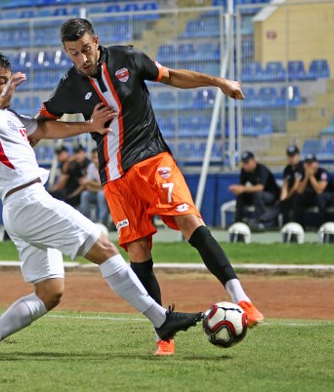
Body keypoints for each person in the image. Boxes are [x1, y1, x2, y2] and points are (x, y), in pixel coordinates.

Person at [0, 52, 201, 361]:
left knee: (50, 293)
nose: (5, 87)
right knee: (105, 248)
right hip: (29, 202)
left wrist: (90, 126)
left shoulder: (8, 116)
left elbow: (43, 129)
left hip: (20, 207)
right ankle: (162, 320)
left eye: (7, 81)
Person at [37, 18, 264, 356]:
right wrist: (86, 125)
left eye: (85, 49)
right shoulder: (69, 86)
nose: (82, 58)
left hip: (154, 161)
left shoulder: (128, 58)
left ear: (96, 42)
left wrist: (218, 82)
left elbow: (170, 76)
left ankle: (242, 301)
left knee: (190, 222)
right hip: (115, 179)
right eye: (73, 53)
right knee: (139, 252)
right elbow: (41, 124)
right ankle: (164, 333)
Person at [228, 150, 280, 230]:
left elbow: (260, 187)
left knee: (257, 194)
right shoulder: (244, 171)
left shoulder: (262, 169)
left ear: (253, 160)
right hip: (256, 196)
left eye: (247, 162)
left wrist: (242, 189)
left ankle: (261, 222)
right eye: (244, 163)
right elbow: (242, 186)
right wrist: (238, 189)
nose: (245, 165)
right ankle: (238, 221)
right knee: (241, 195)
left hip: (271, 196)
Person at [293, 154, 334, 228]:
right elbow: (299, 191)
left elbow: (319, 190)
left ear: (316, 164)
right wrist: (306, 177)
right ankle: (299, 226)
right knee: (298, 197)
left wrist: (311, 176)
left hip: (326, 198)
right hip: (311, 197)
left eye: (311, 163)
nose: (309, 166)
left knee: (320, 198)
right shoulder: (303, 173)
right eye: (307, 164)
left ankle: (321, 225)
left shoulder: (323, 173)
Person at [78, 148, 110, 227]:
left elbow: (106, 185)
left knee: (101, 194)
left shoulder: (107, 166)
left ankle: (102, 223)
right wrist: (97, 186)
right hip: (97, 192)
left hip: (109, 193)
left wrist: (91, 183)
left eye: (97, 157)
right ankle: (85, 222)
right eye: (93, 158)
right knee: (85, 194)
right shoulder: (91, 166)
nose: (95, 160)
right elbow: (87, 186)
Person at [278, 145, 304, 225]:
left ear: (298, 156)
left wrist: (287, 197)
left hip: (301, 193)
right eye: (289, 156)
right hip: (291, 193)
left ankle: (298, 225)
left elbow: (296, 186)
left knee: (296, 199)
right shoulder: (287, 169)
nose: (291, 158)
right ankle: (285, 225)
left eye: (293, 156)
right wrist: (283, 198)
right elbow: (285, 185)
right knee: (282, 203)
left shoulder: (302, 167)